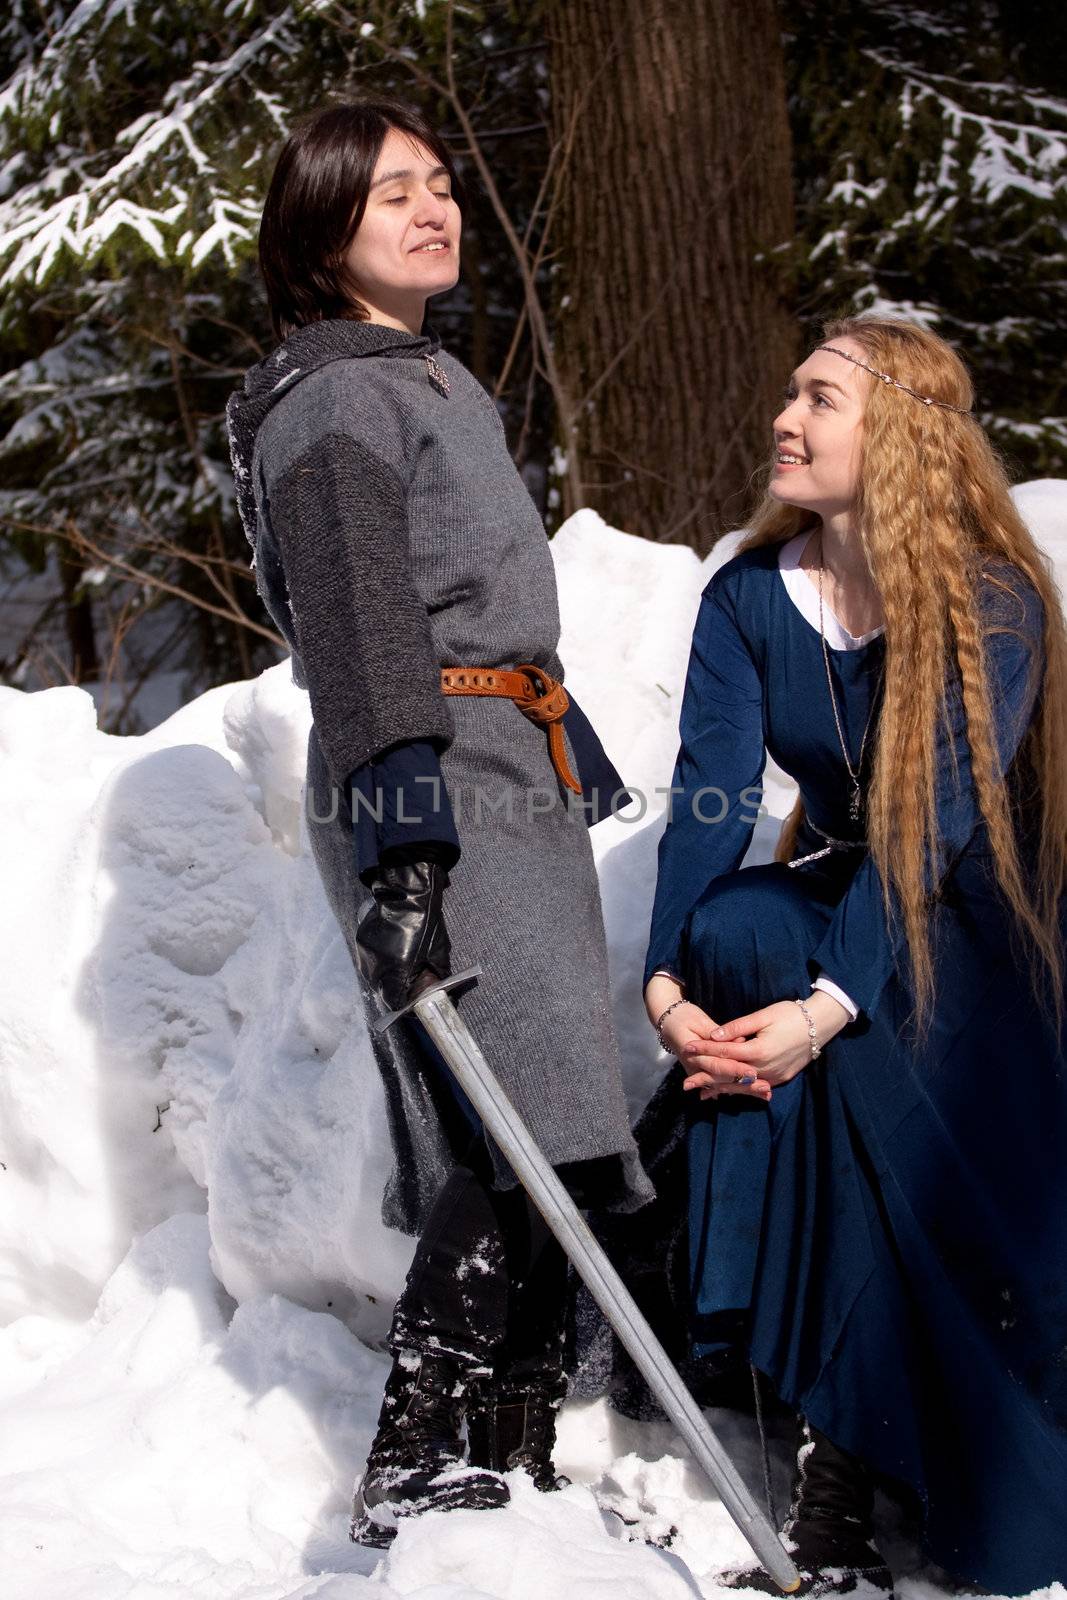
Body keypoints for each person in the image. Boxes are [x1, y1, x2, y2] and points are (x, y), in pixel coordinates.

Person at [225, 98, 652, 1548]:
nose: (433, 207)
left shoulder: (426, 379)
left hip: (503, 774)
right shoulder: (334, 400)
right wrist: (404, 843)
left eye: (441, 183)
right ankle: (419, 1451)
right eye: (390, 190)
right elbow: (357, 628)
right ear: (320, 227)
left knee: (557, 1123)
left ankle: (513, 1458)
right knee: (504, 1130)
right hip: (440, 785)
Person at [642, 314, 1067, 1597]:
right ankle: (831, 1414)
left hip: (994, 924)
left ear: (899, 437)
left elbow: (933, 827)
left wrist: (823, 1008)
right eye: (789, 391)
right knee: (734, 932)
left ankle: (852, 1439)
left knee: (853, 1025)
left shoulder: (988, 602)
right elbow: (709, 798)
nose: (786, 415)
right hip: (854, 898)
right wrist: (663, 982)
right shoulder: (746, 597)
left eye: (821, 398)